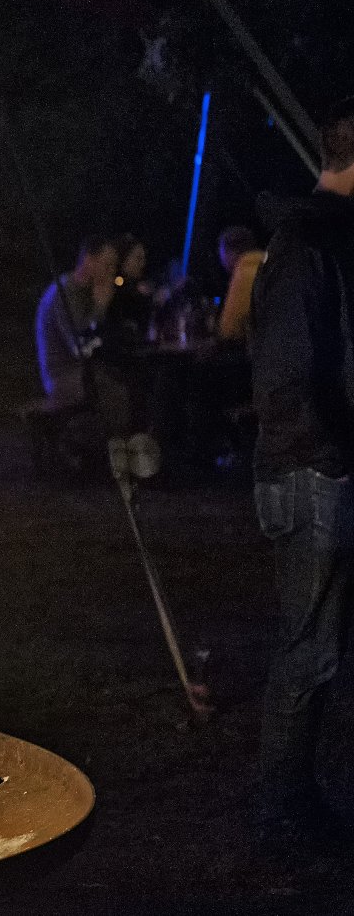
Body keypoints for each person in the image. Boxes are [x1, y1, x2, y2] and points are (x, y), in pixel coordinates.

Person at [249, 95, 354, 847]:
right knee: (311, 646)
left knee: (330, 645)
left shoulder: (329, 239)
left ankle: (307, 797)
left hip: (328, 467)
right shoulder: (304, 242)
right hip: (315, 476)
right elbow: (285, 376)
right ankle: (280, 807)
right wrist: (330, 457)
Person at [33, 235, 119, 407]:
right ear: (88, 260)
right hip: (62, 375)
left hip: (81, 370)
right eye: (107, 265)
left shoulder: (87, 291)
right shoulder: (66, 294)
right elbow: (81, 347)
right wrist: (100, 307)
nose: (111, 273)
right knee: (110, 389)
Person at [215, 224, 265, 342]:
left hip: (252, 354)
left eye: (221, 252)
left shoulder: (243, 271)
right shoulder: (268, 264)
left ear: (230, 251)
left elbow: (229, 331)